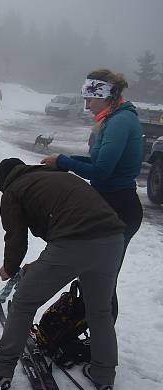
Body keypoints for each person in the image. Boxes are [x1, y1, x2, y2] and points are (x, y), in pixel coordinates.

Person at [0, 158, 126, 390]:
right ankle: (103, 374)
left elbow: (16, 238)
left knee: (24, 301)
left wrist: (10, 267)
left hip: (75, 241)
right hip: (113, 238)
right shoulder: (54, 176)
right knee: (99, 310)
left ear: (3, 182)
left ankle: (0, 368)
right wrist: (37, 267)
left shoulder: (13, 190)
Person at [40, 69, 143, 320]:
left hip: (119, 209)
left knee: (102, 282)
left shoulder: (120, 122)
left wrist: (63, 161)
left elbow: (101, 171)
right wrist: (64, 161)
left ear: (105, 95)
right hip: (108, 207)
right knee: (92, 277)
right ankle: (85, 335)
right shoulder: (112, 118)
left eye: (89, 99)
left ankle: (99, 347)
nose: (86, 105)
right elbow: (98, 161)